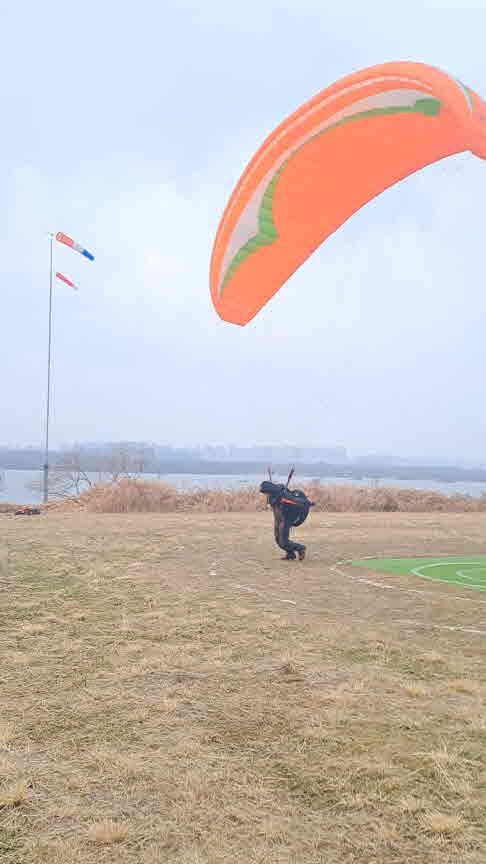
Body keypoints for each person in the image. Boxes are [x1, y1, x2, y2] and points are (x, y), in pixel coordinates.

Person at [259, 476, 311, 561]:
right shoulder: (271, 496)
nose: (265, 494)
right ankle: (290, 554)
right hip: (278, 519)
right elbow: (272, 505)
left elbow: (299, 502)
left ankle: (301, 548)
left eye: (265, 492)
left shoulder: (284, 497)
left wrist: (309, 504)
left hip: (286, 520)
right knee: (277, 539)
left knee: (284, 542)